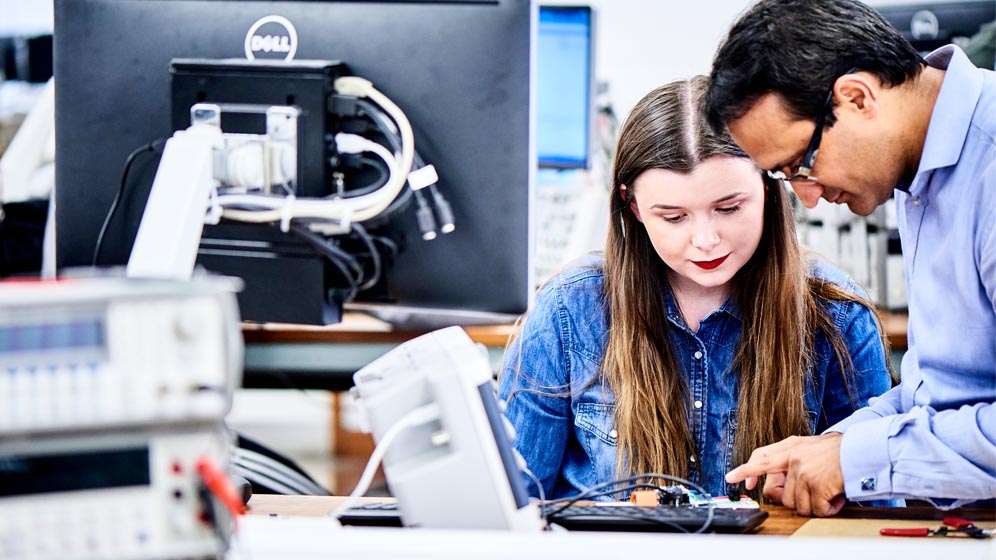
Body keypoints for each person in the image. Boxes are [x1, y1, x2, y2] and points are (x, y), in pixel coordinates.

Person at [497, 76, 893, 503]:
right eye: (673, 217)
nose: (705, 240)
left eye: (728, 208)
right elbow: (512, 505)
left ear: (767, 187)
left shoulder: (836, 313)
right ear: (634, 207)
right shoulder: (568, 309)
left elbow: (875, 511)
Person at [704, 0, 996, 517]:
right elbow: (947, 394)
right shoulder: (917, 172)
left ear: (858, 98)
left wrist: (857, 455)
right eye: (786, 178)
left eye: (802, 163)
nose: (810, 197)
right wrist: (827, 448)